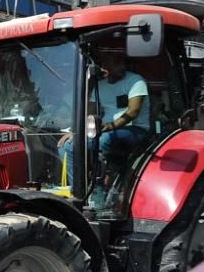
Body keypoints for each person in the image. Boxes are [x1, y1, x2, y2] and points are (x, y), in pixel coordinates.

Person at [58, 53, 151, 191]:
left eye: (121, 64)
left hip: (135, 129)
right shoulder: (100, 85)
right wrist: (76, 131)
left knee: (104, 140)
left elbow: (133, 111)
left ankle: (104, 184)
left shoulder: (136, 81)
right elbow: (89, 111)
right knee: (66, 146)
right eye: (103, 65)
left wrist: (110, 126)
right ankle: (79, 188)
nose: (122, 67)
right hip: (104, 129)